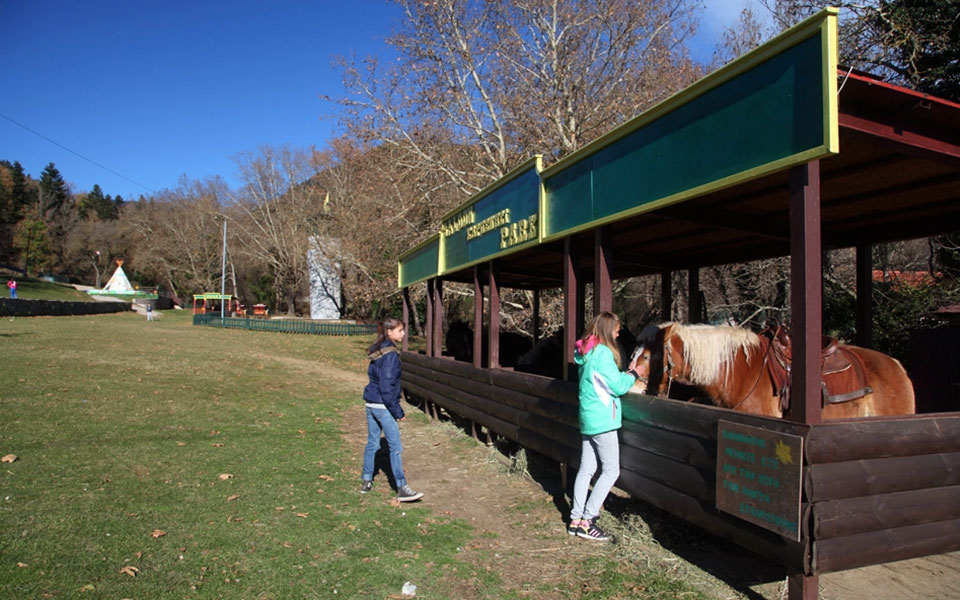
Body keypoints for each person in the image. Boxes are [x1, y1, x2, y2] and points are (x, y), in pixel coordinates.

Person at [568, 311, 641, 541]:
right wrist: (635, 374)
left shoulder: (586, 352)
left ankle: (576, 519)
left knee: (586, 468)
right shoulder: (602, 354)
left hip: (588, 418)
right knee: (611, 470)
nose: (619, 333)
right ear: (608, 329)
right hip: (602, 420)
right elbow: (618, 386)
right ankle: (588, 520)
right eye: (617, 329)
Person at [360, 317, 423, 502]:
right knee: (395, 447)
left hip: (371, 403)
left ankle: (366, 480)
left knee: (372, 443)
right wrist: (398, 411)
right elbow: (387, 387)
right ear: (389, 332)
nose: (403, 333)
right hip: (382, 406)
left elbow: (375, 379)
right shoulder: (391, 355)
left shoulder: (379, 349)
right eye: (400, 330)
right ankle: (401, 487)